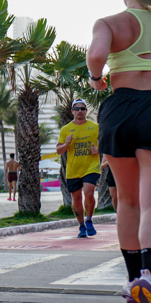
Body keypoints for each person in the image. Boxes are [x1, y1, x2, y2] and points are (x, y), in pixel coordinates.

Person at [88, 0, 151, 303]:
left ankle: (132, 278)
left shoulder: (109, 23)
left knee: (128, 199)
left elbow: (96, 57)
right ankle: (150, 278)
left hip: (119, 108)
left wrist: (95, 79)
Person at [55, 100, 100, 238]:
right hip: (73, 169)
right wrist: (67, 143)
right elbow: (58, 150)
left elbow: (107, 143)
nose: (80, 111)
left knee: (89, 193)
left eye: (82, 108)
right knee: (76, 198)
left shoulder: (95, 127)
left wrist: (98, 150)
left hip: (91, 167)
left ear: (86, 111)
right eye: (77, 108)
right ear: (72, 111)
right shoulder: (66, 129)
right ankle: (81, 226)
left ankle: (89, 220)